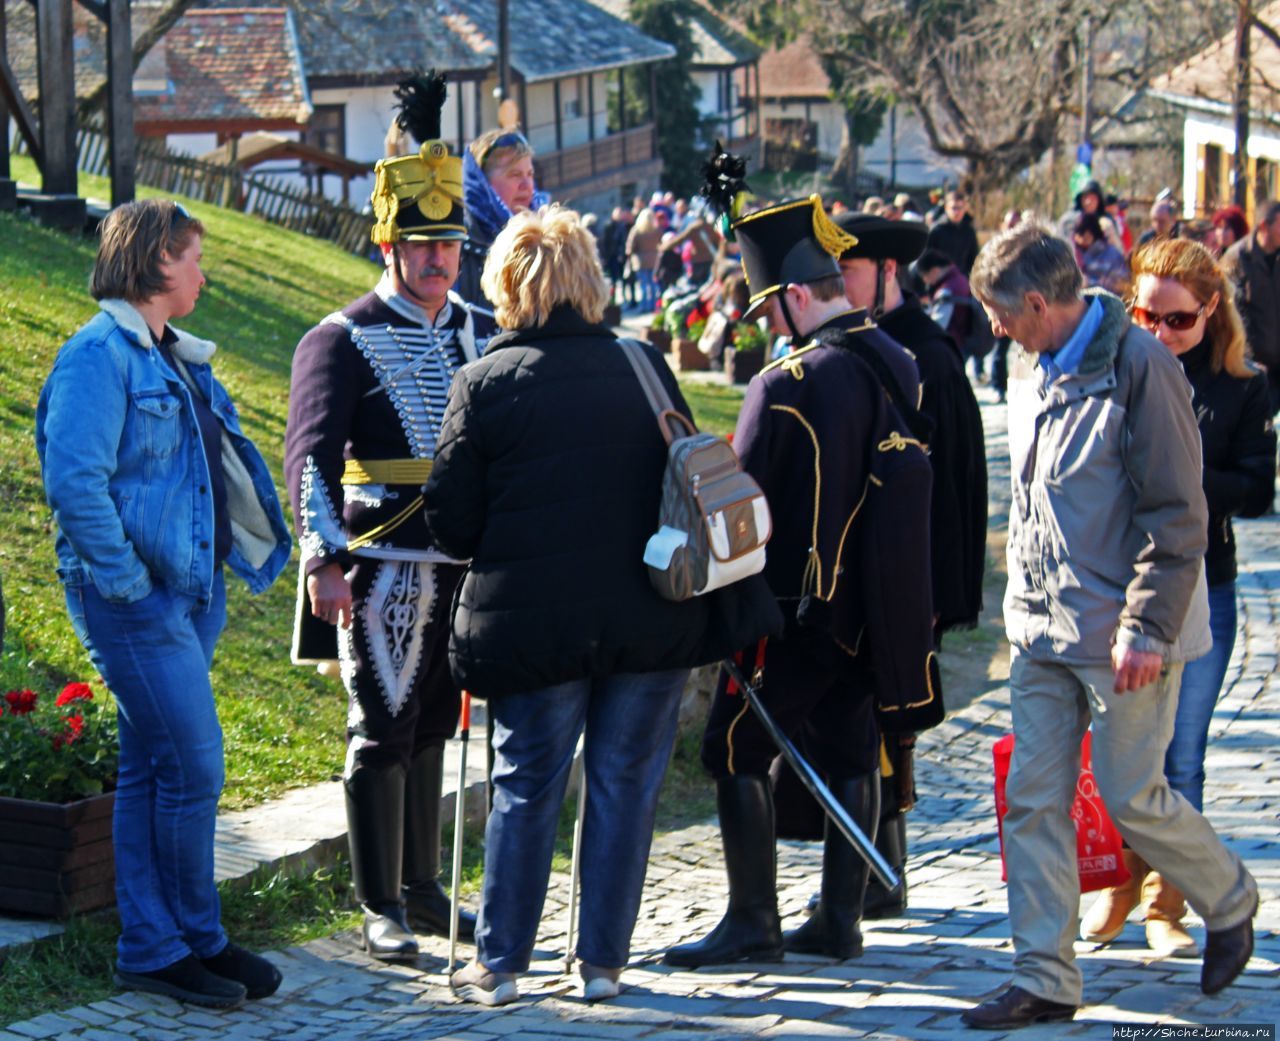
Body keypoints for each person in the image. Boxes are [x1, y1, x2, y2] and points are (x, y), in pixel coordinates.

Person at [424, 204, 779, 1005]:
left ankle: (502, 961)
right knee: (625, 780)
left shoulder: (482, 383)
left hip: (534, 620)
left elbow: (453, 522)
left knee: (527, 783)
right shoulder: (643, 363)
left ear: (509, 287)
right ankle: (603, 964)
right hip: (650, 614)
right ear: (587, 277)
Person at [961, 222, 1259, 1030]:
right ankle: (1045, 975)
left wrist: (1149, 626)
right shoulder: (1032, 366)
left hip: (1126, 632)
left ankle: (1228, 894)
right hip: (1041, 632)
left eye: (999, 313)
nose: (993, 330)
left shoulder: (1142, 367)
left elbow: (1178, 512)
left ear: (1034, 301)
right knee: (1032, 803)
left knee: (1131, 796)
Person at [666, 160, 939, 969]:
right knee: (850, 751)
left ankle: (753, 918)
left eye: (769, 307)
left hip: (792, 610)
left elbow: (738, 501)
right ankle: (840, 918)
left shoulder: (783, 382)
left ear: (791, 296)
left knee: (732, 747)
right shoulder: (899, 357)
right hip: (872, 609)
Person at [35, 199, 292, 1008]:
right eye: (193, 257)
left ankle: (157, 944)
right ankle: (190, 937)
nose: (203, 272)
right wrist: (127, 583)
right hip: (135, 600)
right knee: (195, 764)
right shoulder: (97, 356)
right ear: (155, 262)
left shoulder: (175, 354)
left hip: (187, 594)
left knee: (152, 767)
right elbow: (74, 484)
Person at [284, 74, 495, 963]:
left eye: (448, 241)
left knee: (440, 724)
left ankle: (424, 885)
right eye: (421, 242)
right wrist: (322, 558)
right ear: (386, 241)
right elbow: (308, 460)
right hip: (381, 564)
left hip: (469, 566)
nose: (438, 258)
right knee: (382, 726)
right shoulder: (338, 336)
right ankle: (380, 904)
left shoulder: (484, 329)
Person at [1078, 238, 1275, 958]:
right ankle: (1118, 885)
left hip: (1202, 586)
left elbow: (1258, 489)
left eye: (1179, 320)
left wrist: (1182, 479)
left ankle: (1171, 899)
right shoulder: (1114, 366)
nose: (1161, 332)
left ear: (1212, 309)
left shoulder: (1239, 384)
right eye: (1146, 314)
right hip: (1110, 581)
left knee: (1178, 756)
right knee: (1114, 757)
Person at [828, 212, 988, 915]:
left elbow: (951, 491)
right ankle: (874, 868)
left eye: (849, 270)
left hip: (909, 571)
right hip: (852, 569)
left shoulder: (932, 358)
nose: (836, 282)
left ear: (887, 274)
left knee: (889, 717)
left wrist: (934, 592)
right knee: (859, 716)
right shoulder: (854, 345)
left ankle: (882, 874)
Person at [456, 126, 549, 307]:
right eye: (514, 174)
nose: (527, 185)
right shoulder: (458, 248)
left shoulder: (547, 241)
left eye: (530, 174)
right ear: (482, 184)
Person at [1222, 200, 1280, 414]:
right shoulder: (1236, 259)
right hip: (1255, 369)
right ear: (1264, 226)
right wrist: (1245, 360)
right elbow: (1227, 315)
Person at [924, 189, 980, 275]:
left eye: (960, 208)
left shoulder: (969, 231)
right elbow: (926, 258)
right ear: (946, 208)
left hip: (961, 280)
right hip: (939, 280)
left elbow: (973, 259)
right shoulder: (937, 230)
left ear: (965, 208)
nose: (957, 212)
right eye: (953, 208)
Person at [1072, 213, 1129, 295]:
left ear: (1089, 234)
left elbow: (1122, 283)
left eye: (1079, 233)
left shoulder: (1112, 254)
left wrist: (1090, 283)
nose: (1076, 238)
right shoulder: (1076, 254)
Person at [626, 207, 663, 311]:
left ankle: (644, 306)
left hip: (640, 261)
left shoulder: (636, 230)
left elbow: (630, 247)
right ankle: (654, 306)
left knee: (643, 285)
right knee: (653, 285)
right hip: (654, 260)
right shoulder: (657, 230)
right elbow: (662, 244)